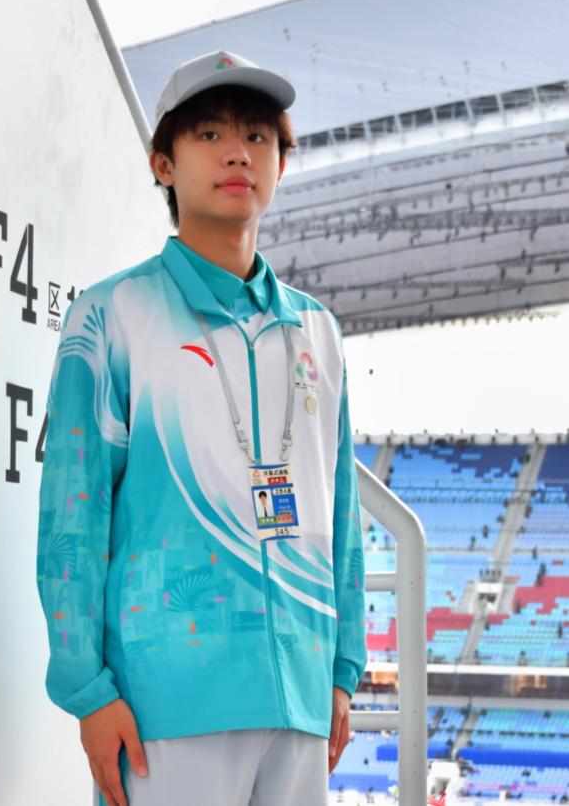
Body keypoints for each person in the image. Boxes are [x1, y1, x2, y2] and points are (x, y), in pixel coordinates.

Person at [36, 49, 367, 806]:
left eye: (257, 136)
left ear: (281, 161)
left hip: (301, 694)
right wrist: (89, 691)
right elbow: (72, 515)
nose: (237, 153)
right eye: (210, 133)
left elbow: (340, 510)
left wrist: (343, 670)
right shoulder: (112, 316)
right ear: (163, 163)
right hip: (166, 703)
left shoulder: (317, 331)